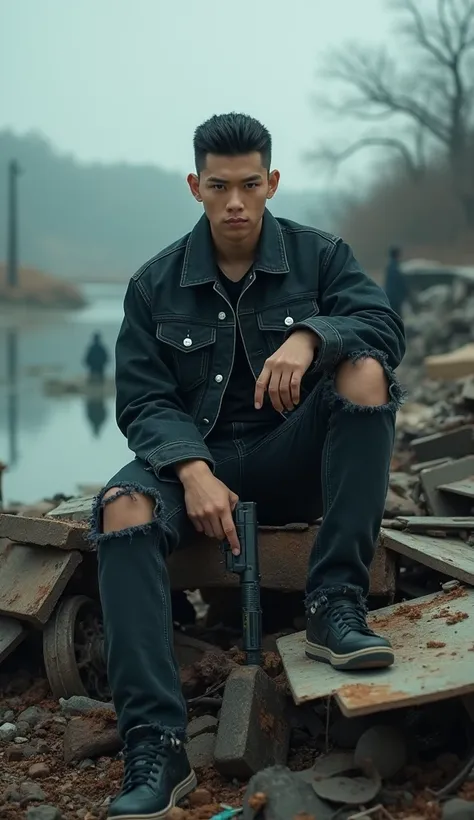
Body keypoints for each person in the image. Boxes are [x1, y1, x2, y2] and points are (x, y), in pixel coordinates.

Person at [90, 113, 406, 819]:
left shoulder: (320, 256)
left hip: (289, 453)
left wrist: (309, 336)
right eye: (220, 186)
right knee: (122, 506)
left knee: (364, 374)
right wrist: (193, 469)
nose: (236, 202)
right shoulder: (153, 285)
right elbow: (142, 401)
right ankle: (157, 745)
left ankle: (334, 606)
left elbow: (384, 328)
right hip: (192, 467)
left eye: (250, 185)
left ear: (273, 183)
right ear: (195, 185)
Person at [384, 246, 407, 317]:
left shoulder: (391, 266)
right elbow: (398, 283)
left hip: (391, 297)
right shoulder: (394, 268)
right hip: (395, 299)